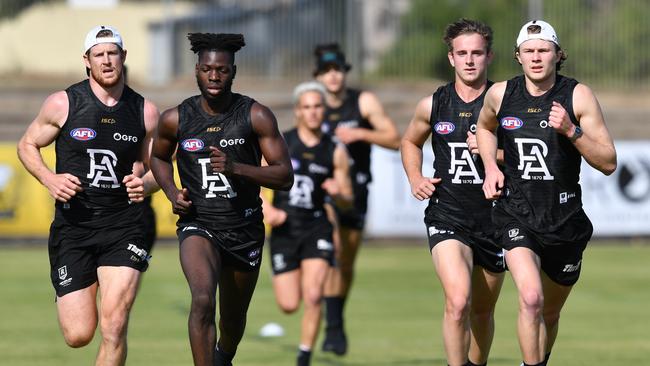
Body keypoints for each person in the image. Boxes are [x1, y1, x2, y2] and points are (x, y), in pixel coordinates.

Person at [16, 25, 159, 366]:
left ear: (123, 57)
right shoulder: (63, 103)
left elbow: (159, 167)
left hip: (124, 226)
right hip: (74, 226)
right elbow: (27, 145)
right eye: (99, 54)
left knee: (114, 324)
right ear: (87, 60)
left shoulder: (145, 111)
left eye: (113, 53)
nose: (107, 61)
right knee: (78, 335)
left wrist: (147, 183)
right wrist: (50, 179)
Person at [476, 20, 617, 366]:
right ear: (518, 57)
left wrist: (572, 130)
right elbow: (483, 126)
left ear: (557, 55)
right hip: (515, 214)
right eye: (529, 51)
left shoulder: (577, 95)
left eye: (543, 50)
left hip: (564, 221)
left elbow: (609, 162)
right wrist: (492, 168)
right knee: (531, 299)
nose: (536, 57)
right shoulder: (501, 94)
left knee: (549, 315)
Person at [150, 33, 293, 366]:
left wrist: (237, 168)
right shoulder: (176, 118)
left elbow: (285, 175)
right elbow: (157, 157)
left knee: (231, 322)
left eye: (222, 70)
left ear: (233, 72)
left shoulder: (255, 115)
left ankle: (223, 357)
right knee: (202, 300)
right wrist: (172, 193)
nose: (214, 77)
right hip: (198, 225)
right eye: (207, 69)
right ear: (196, 71)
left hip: (244, 229)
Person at [401, 19, 505, 366]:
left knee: (481, 312)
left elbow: (531, 153)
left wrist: (494, 152)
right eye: (462, 53)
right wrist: (415, 176)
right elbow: (410, 141)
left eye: (477, 53)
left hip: (497, 219)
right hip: (448, 215)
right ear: (451, 59)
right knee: (458, 301)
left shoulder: (505, 102)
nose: (470, 60)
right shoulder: (433, 104)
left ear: (489, 56)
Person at [312, 43, 401, 355]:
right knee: (334, 248)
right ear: (318, 76)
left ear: (344, 72)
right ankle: (332, 327)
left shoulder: (362, 101)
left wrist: (362, 134)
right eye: (326, 72)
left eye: (337, 70)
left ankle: (335, 320)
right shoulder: (313, 104)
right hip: (323, 191)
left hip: (357, 189)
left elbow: (394, 139)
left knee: (346, 261)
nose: (333, 77)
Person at [263, 81, 353, 366]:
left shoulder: (335, 150)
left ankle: (304, 357)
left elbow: (348, 198)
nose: (313, 112)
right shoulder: (282, 142)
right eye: (307, 107)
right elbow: (257, 182)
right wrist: (266, 209)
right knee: (289, 305)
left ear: (324, 110)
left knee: (314, 296)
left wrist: (339, 194)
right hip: (285, 230)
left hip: (317, 227)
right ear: (298, 111)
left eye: (318, 107)